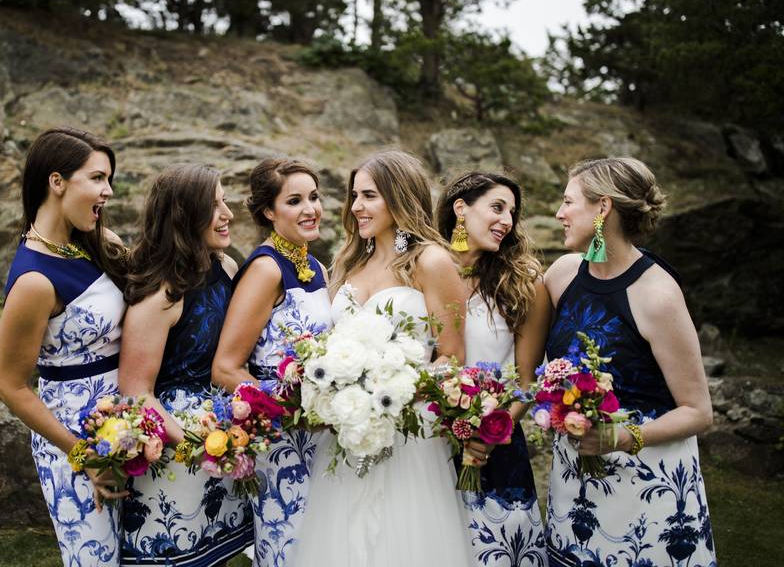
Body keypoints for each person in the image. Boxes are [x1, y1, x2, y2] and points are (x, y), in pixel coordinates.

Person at [292, 150, 474, 566]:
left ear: (399, 196)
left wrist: (395, 390)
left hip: (409, 432)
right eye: (355, 195)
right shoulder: (347, 263)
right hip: (348, 432)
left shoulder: (432, 262)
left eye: (369, 195)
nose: (355, 206)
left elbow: (451, 355)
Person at [544, 157, 716, 566]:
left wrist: (623, 438)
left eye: (569, 202)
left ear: (602, 208)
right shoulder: (562, 275)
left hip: (648, 489)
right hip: (574, 486)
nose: (559, 213)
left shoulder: (657, 294)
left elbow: (698, 411)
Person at [0, 127, 129, 566]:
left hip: (127, 427)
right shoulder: (34, 280)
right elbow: (11, 387)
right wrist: (83, 455)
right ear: (57, 182)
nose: (108, 191)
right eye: (97, 178)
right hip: (74, 439)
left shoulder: (91, 244)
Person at [119, 165, 254, 566]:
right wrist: (194, 447)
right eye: (214, 205)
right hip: (177, 451)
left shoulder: (226, 268)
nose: (227, 213)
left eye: (224, 201)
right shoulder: (161, 294)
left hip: (222, 438)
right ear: (184, 215)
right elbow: (136, 391)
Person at [211, 158, 333, 567]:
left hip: (324, 434)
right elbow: (226, 366)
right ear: (268, 211)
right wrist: (285, 407)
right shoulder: (265, 269)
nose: (310, 209)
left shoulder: (317, 267)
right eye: (295, 200)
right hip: (281, 438)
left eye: (314, 198)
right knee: (291, 547)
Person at [435, 171, 549, 565]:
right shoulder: (418, 270)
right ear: (460, 209)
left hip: (493, 446)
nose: (507, 221)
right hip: (425, 445)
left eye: (512, 213)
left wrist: (495, 428)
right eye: (497, 208)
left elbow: (527, 379)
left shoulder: (523, 284)